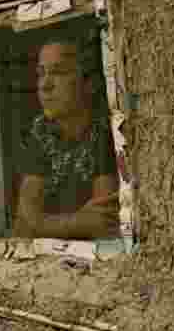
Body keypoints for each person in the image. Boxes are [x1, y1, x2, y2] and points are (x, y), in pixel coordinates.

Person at [13, 34, 119, 240]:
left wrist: (43, 224)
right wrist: (75, 223)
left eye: (59, 72)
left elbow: (103, 224)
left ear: (90, 83)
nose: (45, 85)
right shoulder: (42, 132)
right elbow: (23, 226)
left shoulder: (107, 131)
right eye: (41, 73)